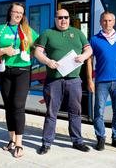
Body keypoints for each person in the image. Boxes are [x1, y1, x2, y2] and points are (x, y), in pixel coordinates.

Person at [34, 9, 92, 155]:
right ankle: (46, 143)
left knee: (75, 112)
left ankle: (77, 141)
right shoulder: (48, 33)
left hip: (74, 80)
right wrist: (48, 61)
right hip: (54, 80)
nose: (63, 20)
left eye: (66, 17)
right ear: (55, 19)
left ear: (69, 19)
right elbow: (37, 52)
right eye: (60, 17)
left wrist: (83, 57)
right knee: (51, 112)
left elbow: (89, 49)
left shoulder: (78, 33)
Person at [0, 2, 38, 158]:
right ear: (10, 13)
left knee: (18, 105)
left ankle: (19, 142)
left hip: (22, 71)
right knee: (8, 106)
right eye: (16, 12)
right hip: (4, 71)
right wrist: (4, 50)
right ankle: (11, 139)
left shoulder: (28, 31)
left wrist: (30, 55)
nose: (18, 15)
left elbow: (39, 47)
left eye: (21, 13)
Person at [87, 11, 116, 151]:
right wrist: (90, 80)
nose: (107, 23)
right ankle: (100, 137)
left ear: (114, 22)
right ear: (101, 22)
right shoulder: (94, 40)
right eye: (104, 21)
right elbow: (89, 61)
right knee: (99, 111)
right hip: (101, 82)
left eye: (110, 21)